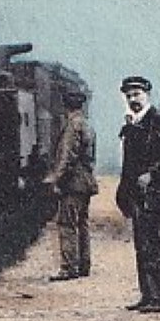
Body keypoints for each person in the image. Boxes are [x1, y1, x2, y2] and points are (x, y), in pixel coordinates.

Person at [115, 75, 160, 312]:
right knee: (142, 246)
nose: (133, 99)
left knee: (156, 244)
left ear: (147, 95)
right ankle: (148, 295)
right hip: (138, 196)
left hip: (156, 194)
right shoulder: (133, 124)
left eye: (137, 94)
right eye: (129, 96)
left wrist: (152, 175)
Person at [44, 88, 97, 281]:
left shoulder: (72, 127)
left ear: (65, 106)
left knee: (67, 223)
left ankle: (68, 268)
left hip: (73, 183)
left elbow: (67, 156)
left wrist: (56, 178)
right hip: (86, 181)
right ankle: (84, 265)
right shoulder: (87, 125)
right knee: (82, 223)